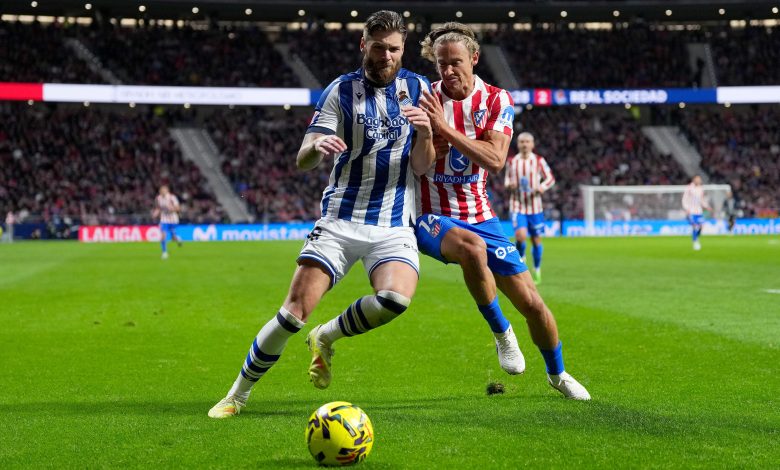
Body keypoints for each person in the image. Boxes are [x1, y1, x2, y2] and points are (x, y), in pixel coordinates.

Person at [208, 10, 435, 418]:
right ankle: (236, 395)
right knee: (294, 310)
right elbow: (303, 159)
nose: (386, 56)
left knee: (395, 298)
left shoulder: (418, 88)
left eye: (394, 49)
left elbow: (422, 166)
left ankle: (326, 336)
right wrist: (318, 147)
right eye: (379, 47)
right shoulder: (339, 91)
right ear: (364, 45)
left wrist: (427, 133)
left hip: (394, 223)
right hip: (341, 220)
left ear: (403, 51)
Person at [415, 22, 590, 399]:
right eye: (441, 63)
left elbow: (495, 159)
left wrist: (444, 130)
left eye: (456, 62)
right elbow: (416, 164)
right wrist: (431, 137)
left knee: (533, 303)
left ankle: (557, 374)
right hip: (429, 214)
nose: (448, 71)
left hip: (480, 214)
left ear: (474, 59)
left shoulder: (496, 100)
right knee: (471, 249)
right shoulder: (422, 98)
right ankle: (501, 332)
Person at [504, 132, 555, 284]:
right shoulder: (512, 161)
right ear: (518, 144)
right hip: (517, 205)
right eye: (522, 142)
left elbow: (550, 178)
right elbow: (507, 181)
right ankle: (522, 264)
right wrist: (510, 185)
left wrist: (542, 187)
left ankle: (537, 269)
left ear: (532, 144)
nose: (525, 144)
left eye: (527, 142)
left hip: (535, 207)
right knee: (520, 236)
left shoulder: (539, 161)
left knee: (536, 240)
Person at [682, 175, 711, 250]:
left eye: (700, 179)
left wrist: (706, 206)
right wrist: (686, 208)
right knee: (695, 226)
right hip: (691, 211)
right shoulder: (689, 188)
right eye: (698, 179)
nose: (699, 180)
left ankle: (696, 238)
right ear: (694, 179)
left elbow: (701, 200)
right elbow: (684, 199)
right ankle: (695, 241)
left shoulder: (701, 189)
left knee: (701, 226)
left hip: (699, 211)